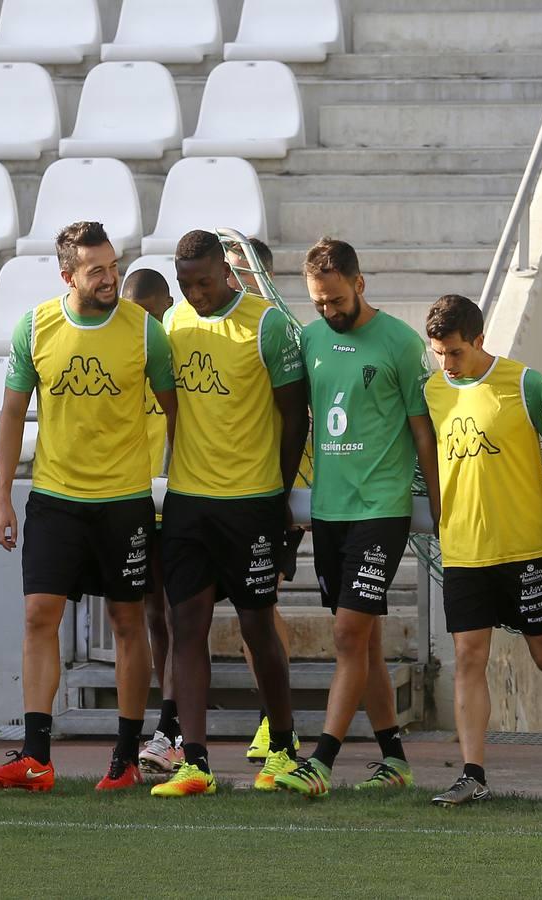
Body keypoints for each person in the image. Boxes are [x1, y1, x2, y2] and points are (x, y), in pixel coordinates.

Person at [0, 222, 177, 793]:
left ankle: (126, 756)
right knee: (40, 616)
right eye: (97, 269)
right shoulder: (35, 327)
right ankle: (36, 756)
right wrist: (1, 499)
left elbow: (178, 415)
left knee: (127, 621)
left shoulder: (146, 332)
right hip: (55, 500)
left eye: (114, 265)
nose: (111, 276)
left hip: (124, 503)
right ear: (68, 276)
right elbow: (13, 414)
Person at [272, 239, 439, 796]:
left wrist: (438, 501)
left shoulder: (399, 342)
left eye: (336, 299)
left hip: (381, 510)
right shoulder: (311, 340)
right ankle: (394, 759)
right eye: (319, 302)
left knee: (346, 634)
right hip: (329, 511)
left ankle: (320, 761)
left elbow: (422, 432)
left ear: (360, 284)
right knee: (362, 641)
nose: (328, 311)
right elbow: (300, 419)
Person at [417, 294, 542, 807]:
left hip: (524, 547)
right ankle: (472, 773)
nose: (446, 363)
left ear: (478, 340)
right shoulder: (432, 390)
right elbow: (430, 454)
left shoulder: (524, 382)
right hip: (464, 550)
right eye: (438, 354)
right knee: (469, 657)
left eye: (454, 352)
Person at [151, 230, 309, 798]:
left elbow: (296, 418)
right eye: (185, 284)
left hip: (252, 504)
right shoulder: (173, 325)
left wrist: (279, 494)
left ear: (226, 271)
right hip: (189, 502)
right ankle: (195, 762)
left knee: (256, 625)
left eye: (204, 281)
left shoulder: (267, 325)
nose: (196, 294)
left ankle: (285, 749)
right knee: (184, 625)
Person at [222, 236, 304, 765]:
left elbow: (297, 413)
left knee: (262, 605)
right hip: (236, 487)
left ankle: (278, 726)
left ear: (260, 275)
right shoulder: (223, 326)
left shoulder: (279, 329)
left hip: (279, 487)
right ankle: (275, 723)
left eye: (238, 271)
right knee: (255, 608)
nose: (230, 280)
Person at [121, 268, 185, 774]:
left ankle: (172, 728)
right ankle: (170, 728)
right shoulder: (122, 351)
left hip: (182, 500)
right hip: (136, 503)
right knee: (155, 619)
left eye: (150, 312)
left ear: (168, 303)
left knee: (181, 617)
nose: (142, 323)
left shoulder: (177, 349)